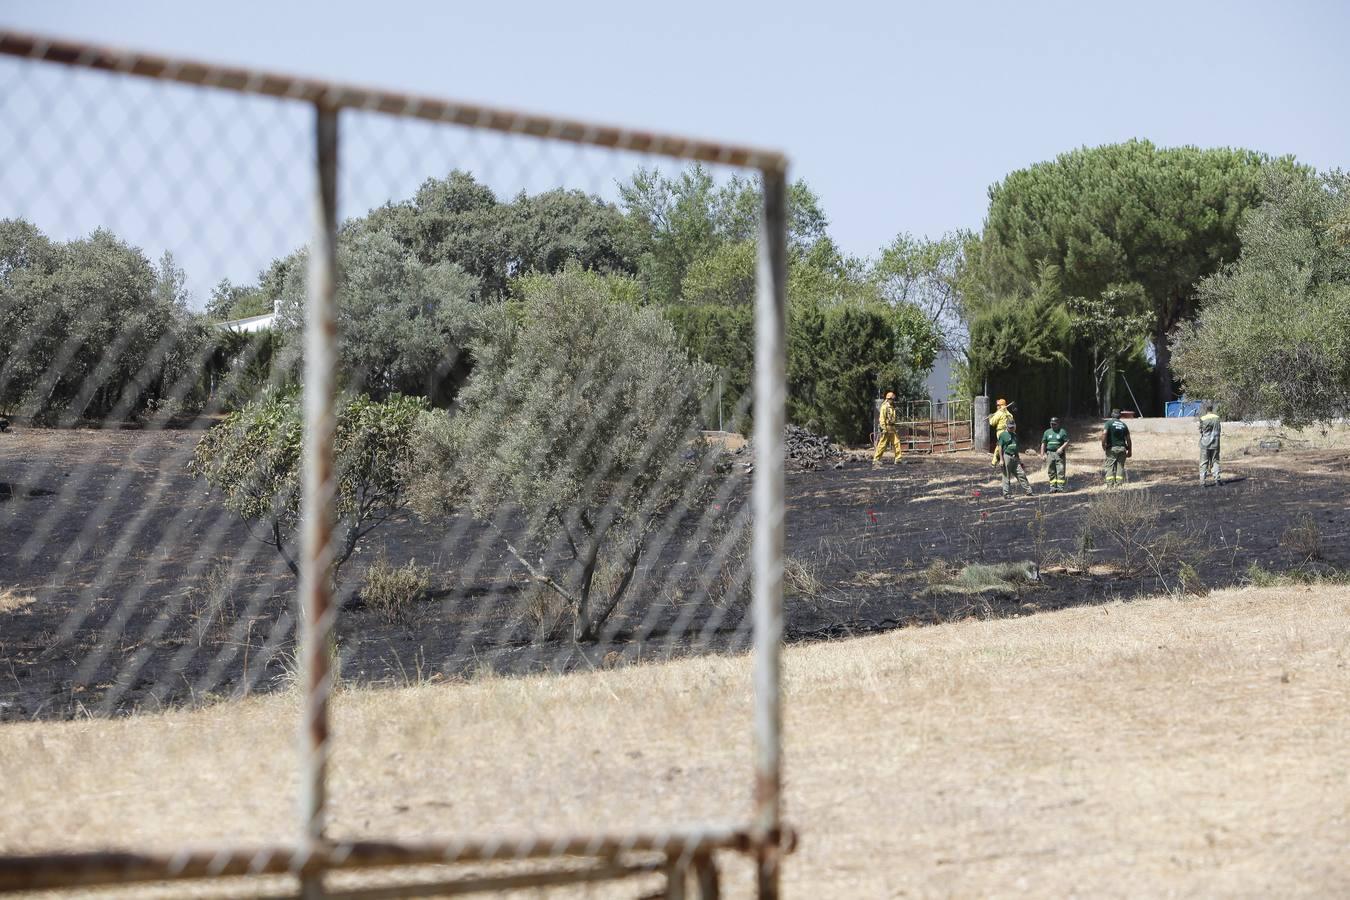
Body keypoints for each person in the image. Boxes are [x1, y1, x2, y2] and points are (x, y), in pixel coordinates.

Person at [997, 421, 1034, 498]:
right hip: (1006, 456)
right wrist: (1001, 459)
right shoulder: (1003, 435)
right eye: (1010, 427)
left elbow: (1016, 448)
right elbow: (1000, 447)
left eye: (1012, 427)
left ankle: (1029, 491)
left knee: (1021, 474)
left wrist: (1019, 460)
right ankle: (1006, 494)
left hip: (1015, 458)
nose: (1011, 428)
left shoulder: (1015, 435)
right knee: (1006, 475)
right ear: (1006, 426)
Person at [1101, 409, 1132, 487]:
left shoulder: (1108, 423)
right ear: (1120, 416)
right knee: (1120, 466)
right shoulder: (1124, 425)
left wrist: (1103, 444)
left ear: (1112, 415)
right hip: (1122, 449)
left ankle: (1110, 485)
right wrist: (1130, 451)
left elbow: (1104, 434)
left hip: (1112, 448)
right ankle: (1119, 484)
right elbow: (1128, 439)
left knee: (1109, 466)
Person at [1039, 416, 1070, 492]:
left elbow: (1067, 441)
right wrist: (1042, 454)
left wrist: (1061, 448)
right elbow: (1043, 443)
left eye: (1054, 424)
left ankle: (1060, 488)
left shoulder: (1062, 431)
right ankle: (1053, 488)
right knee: (1051, 470)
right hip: (1049, 453)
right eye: (1052, 424)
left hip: (1059, 454)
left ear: (1058, 424)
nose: (1053, 425)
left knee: (1060, 470)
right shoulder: (1047, 432)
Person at [873, 391, 903, 467]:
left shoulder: (892, 407)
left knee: (896, 443)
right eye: (892, 399)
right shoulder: (884, 407)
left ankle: (898, 459)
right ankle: (876, 460)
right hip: (886, 427)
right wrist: (883, 428)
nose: (893, 400)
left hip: (892, 428)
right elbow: (882, 419)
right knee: (882, 444)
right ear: (889, 399)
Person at [1198, 402, 1222, 486]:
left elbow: (1201, 430)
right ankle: (1217, 479)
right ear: (1212, 408)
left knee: (1203, 462)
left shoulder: (1203, 418)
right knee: (1215, 461)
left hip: (1205, 443)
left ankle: (1202, 482)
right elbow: (1219, 430)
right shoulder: (1217, 418)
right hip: (1215, 443)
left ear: (1205, 409)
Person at [988, 398, 1015, 467]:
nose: (997, 406)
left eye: (998, 405)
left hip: (1001, 432)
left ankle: (994, 462)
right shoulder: (1009, 414)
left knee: (999, 445)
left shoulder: (999, 413)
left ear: (1001, 405)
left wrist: (990, 417)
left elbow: (992, 423)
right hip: (1009, 431)